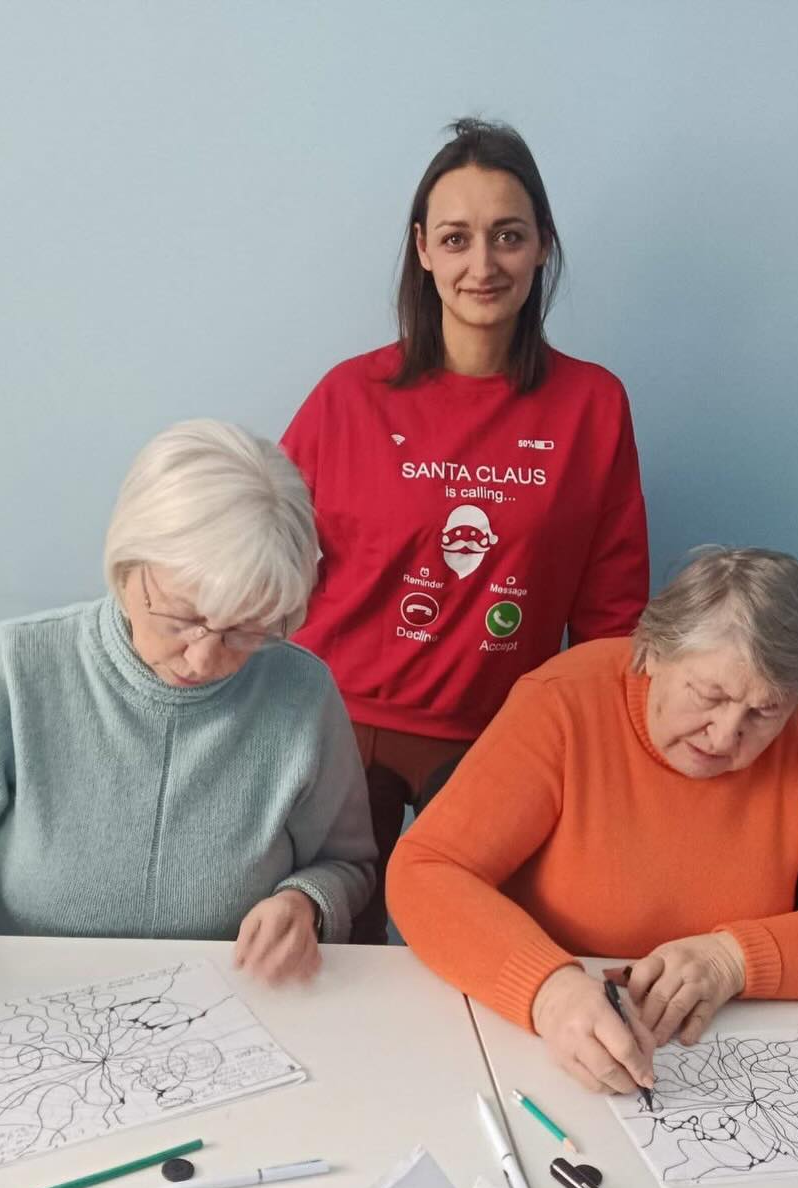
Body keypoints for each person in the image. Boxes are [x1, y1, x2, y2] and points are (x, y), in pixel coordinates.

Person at [283, 117, 649, 942]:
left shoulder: (593, 405)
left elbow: (613, 612)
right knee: (334, 960)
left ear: (543, 245)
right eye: (456, 238)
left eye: (507, 236)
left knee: (481, 957)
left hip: (502, 734)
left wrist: (607, 758)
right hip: (343, 728)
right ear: (423, 250)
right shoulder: (349, 396)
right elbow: (264, 556)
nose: (482, 265)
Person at [388, 547, 798, 1094]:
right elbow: (424, 871)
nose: (725, 735)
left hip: (722, 1049)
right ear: (650, 652)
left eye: (764, 711)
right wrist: (549, 991)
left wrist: (732, 960)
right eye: (709, 695)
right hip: (551, 1042)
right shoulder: (564, 701)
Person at [0, 420, 376, 982]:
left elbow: (347, 863)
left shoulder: (302, 695)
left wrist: (305, 901)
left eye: (245, 631)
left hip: (222, 1001)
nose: (204, 659)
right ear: (127, 570)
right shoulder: (18, 668)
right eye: (182, 619)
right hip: (13, 992)